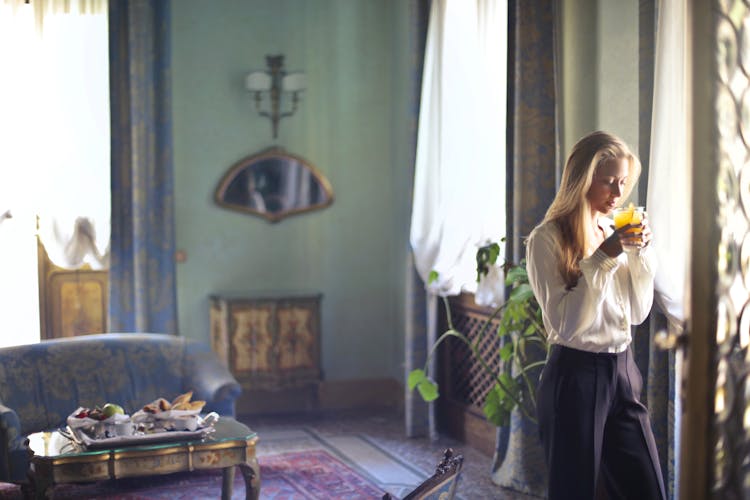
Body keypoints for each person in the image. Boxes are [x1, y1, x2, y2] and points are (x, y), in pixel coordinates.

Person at [526, 131, 666, 500]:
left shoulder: (612, 228)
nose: (618, 194)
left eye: (623, 182)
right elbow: (567, 325)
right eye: (608, 182)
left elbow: (636, 313)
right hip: (575, 377)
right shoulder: (547, 239)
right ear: (582, 180)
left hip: (624, 372)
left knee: (648, 491)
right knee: (573, 492)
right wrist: (604, 257)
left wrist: (638, 255)